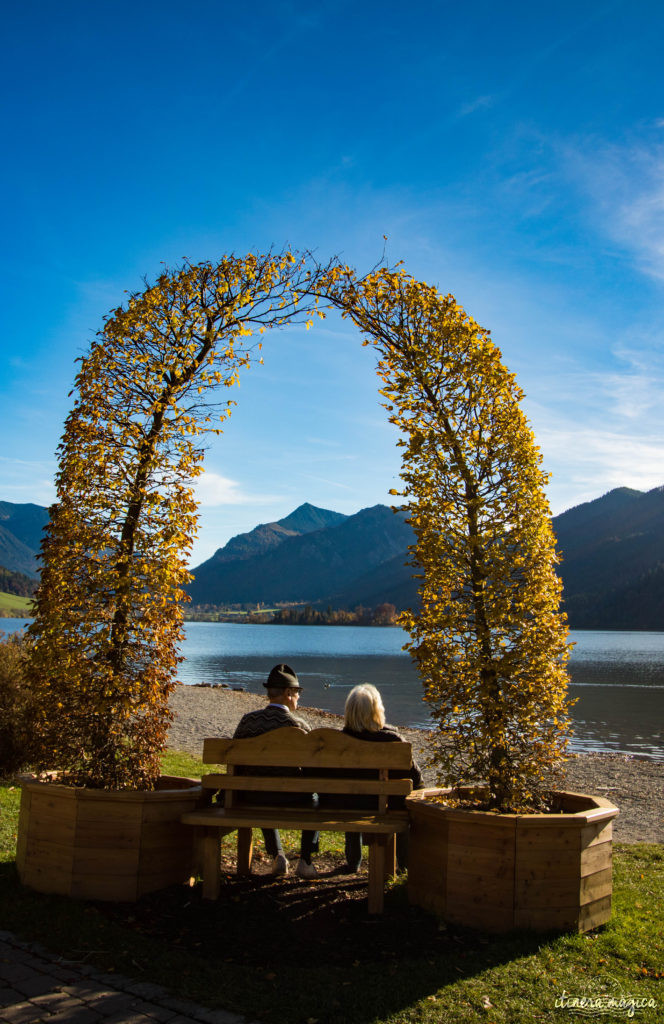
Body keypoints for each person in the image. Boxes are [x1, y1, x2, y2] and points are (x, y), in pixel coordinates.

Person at [232, 663, 319, 879]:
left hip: (252, 796)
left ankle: (277, 855)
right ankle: (306, 860)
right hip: (293, 799)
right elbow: (314, 769)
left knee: (262, 784)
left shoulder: (247, 722)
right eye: (297, 693)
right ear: (288, 693)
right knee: (315, 795)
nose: (298, 697)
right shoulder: (298, 726)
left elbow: (236, 762)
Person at [342, 683, 423, 873]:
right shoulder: (393, 741)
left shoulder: (339, 741)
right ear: (378, 710)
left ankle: (353, 862)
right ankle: (404, 866)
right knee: (401, 804)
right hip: (387, 807)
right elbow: (417, 779)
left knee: (353, 798)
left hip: (350, 804)